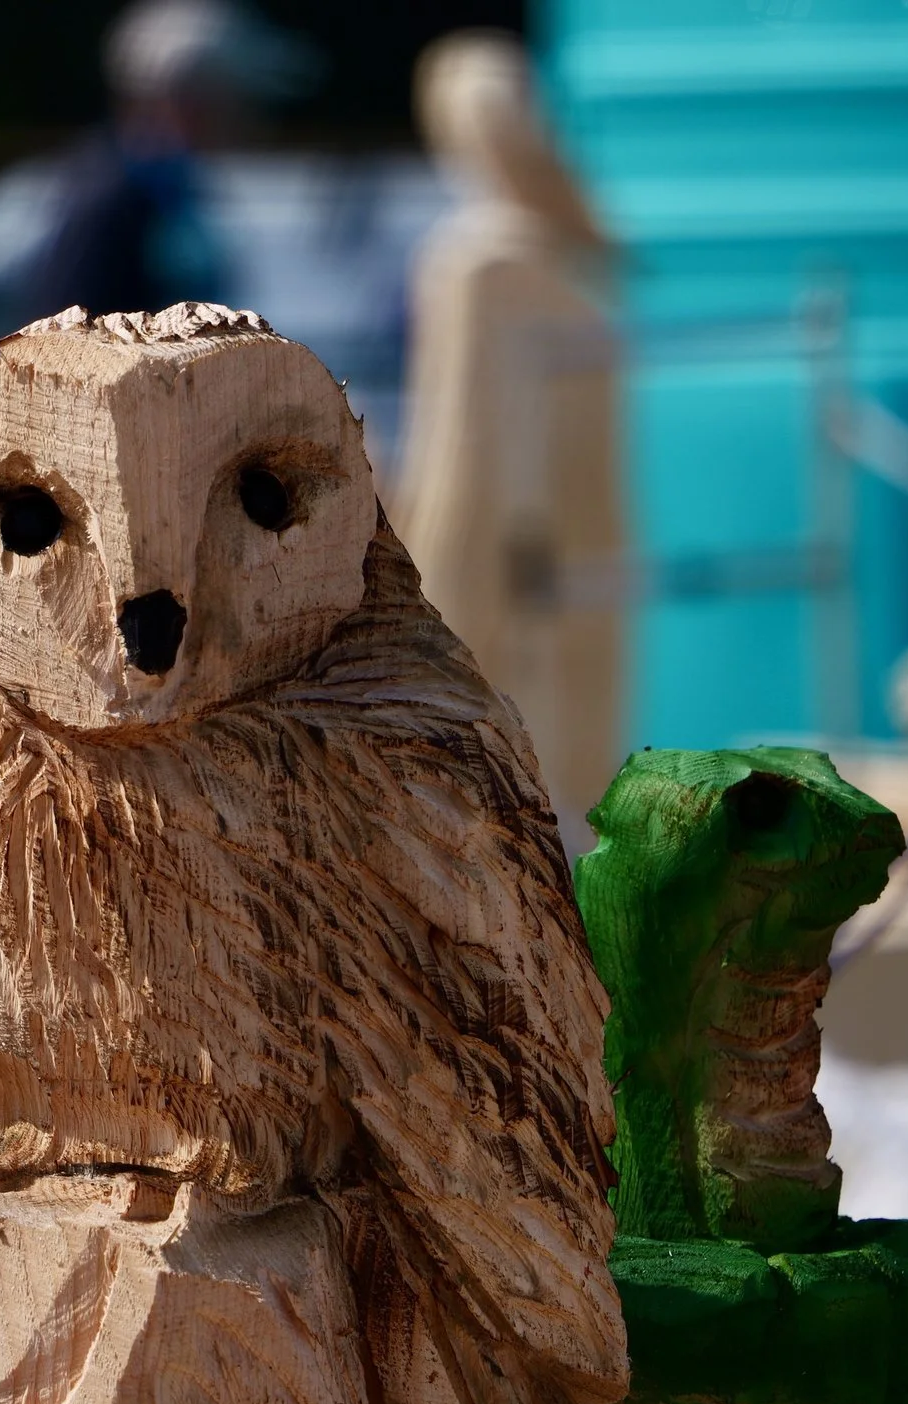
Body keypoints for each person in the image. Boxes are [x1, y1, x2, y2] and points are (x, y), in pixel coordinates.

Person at [397, 29, 622, 847]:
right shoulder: (573, 270)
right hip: (573, 543)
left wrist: (423, 549)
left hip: (503, 534)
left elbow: (458, 445)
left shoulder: (472, 262)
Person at [23, 0, 313, 323]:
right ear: (193, 101)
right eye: (238, 99)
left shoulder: (156, 183)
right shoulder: (110, 193)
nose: (251, 120)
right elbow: (63, 334)